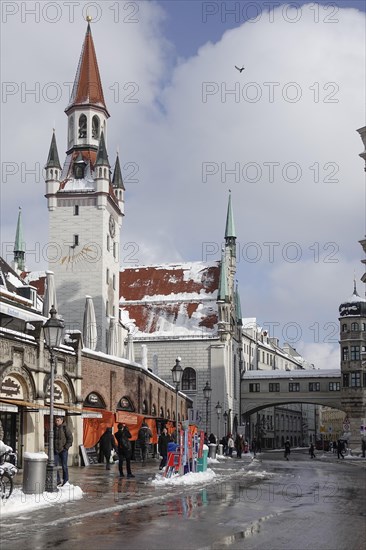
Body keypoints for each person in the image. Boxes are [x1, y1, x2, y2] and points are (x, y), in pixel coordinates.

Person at [54, 416, 73, 486]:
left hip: (63, 450)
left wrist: (66, 448)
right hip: (55, 450)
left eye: (58, 420)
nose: (57, 422)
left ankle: (65, 480)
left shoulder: (65, 428)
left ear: (62, 420)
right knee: (54, 465)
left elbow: (70, 439)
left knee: (64, 465)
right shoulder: (54, 428)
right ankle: (58, 480)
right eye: (56, 421)